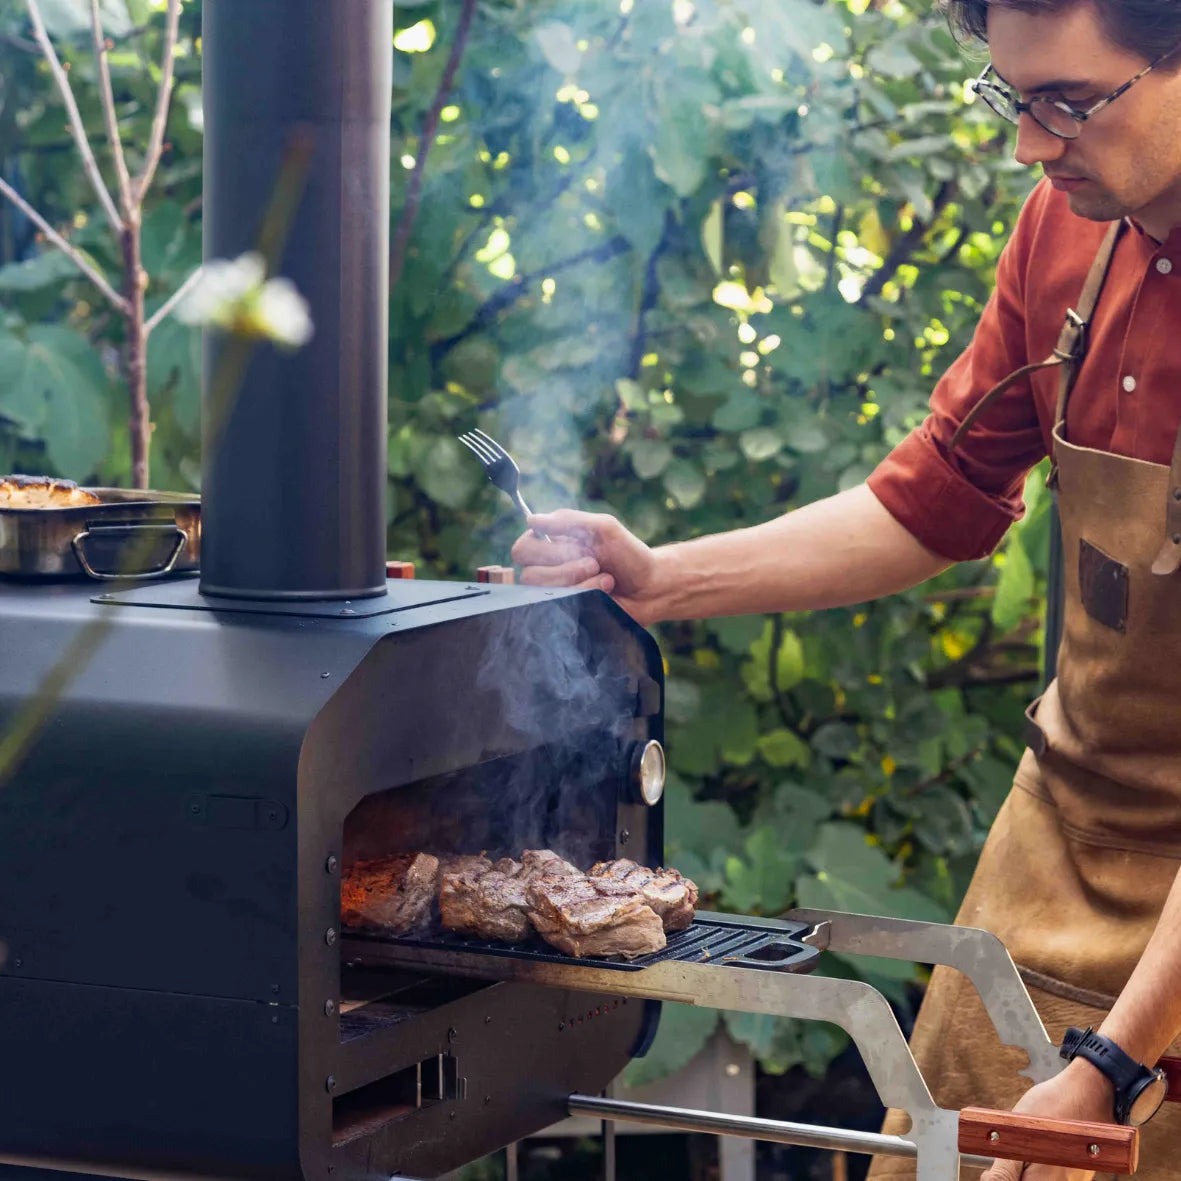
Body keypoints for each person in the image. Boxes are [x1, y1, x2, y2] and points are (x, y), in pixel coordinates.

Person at [512, 1, 1181, 1177]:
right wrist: (665, 580)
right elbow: (929, 496)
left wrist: (1116, 1066)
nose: (1029, 143)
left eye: (1068, 103)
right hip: (1062, 841)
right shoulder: (1061, 237)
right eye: (1010, 99)